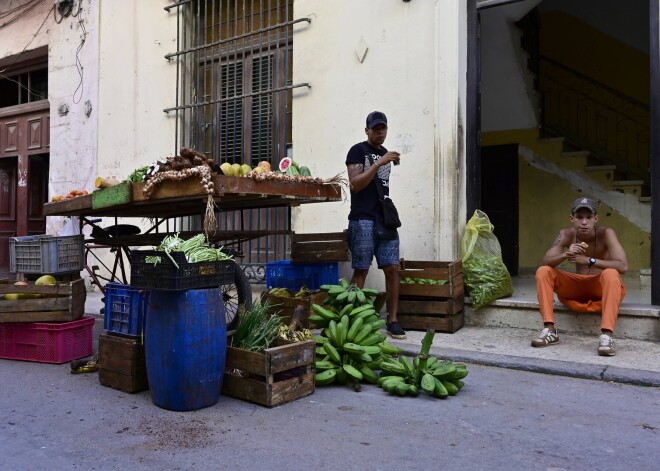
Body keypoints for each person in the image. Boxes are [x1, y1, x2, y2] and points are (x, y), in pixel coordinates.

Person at [532, 196, 628, 356]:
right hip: (576, 288)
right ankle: (550, 330)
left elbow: (623, 266)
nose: (584, 222)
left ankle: (606, 335)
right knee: (543, 271)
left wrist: (589, 260)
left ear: (595, 218)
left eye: (589, 217)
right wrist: (565, 254)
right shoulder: (565, 234)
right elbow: (545, 262)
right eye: (579, 217)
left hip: (599, 288)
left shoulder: (606, 233)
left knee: (612, 273)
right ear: (572, 218)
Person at [345, 111, 405, 339]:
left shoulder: (385, 153)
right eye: (376, 128)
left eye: (383, 128)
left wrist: (387, 160)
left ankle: (393, 320)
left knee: (392, 268)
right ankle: (348, 319)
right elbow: (355, 185)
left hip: (384, 219)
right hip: (362, 219)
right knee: (361, 269)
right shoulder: (357, 151)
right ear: (367, 130)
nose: (380, 132)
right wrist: (379, 162)